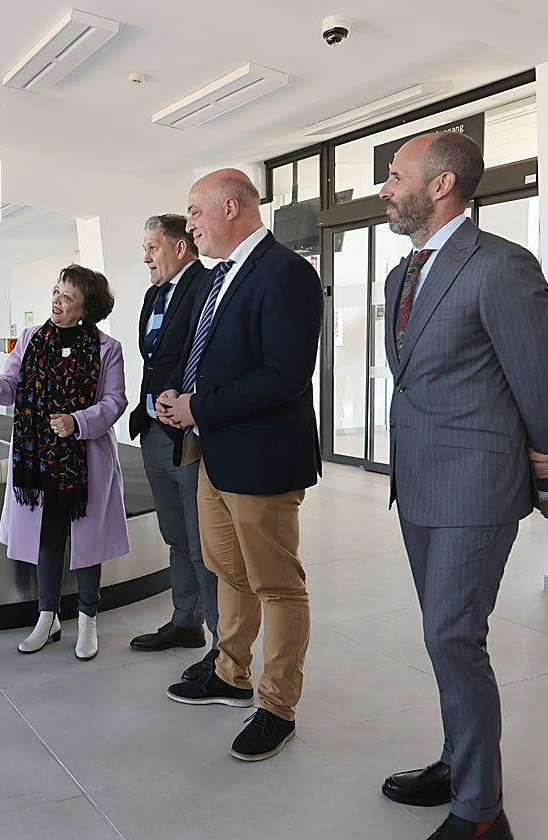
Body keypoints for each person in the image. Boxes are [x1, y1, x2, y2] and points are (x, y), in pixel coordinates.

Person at [375, 132, 548, 840]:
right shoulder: (402, 276)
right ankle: (459, 760)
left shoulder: (501, 267)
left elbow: (547, 385)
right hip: (419, 485)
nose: (384, 188)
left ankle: (480, 813)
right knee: (443, 639)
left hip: (476, 487)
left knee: (453, 636)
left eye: (396, 176)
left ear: (441, 186)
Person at [156, 169, 322, 762]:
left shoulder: (287, 273)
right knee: (229, 571)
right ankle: (230, 673)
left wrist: (199, 405)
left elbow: (283, 375)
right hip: (214, 454)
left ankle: (277, 706)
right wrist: (176, 397)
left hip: (262, 458)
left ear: (231, 207)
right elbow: (204, 356)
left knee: (277, 585)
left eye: (195, 213)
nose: (189, 224)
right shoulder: (217, 278)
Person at [0, 264, 129, 661]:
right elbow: (10, 389)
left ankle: (88, 619)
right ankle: (48, 616)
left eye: (67, 296)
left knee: (87, 543)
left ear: (85, 308)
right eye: (56, 292)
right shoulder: (30, 339)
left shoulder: (108, 348)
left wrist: (77, 422)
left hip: (85, 460)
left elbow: (114, 402)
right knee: (47, 537)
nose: (56, 301)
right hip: (37, 457)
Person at [126, 214, 219, 678]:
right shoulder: (153, 294)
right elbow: (154, 356)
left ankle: (226, 647)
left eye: (152, 247)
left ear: (180, 248)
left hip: (189, 432)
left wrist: (185, 402)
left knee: (204, 542)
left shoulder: (207, 286)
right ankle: (186, 623)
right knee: (176, 536)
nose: (145, 257)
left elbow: (203, 354)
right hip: (155, 431)